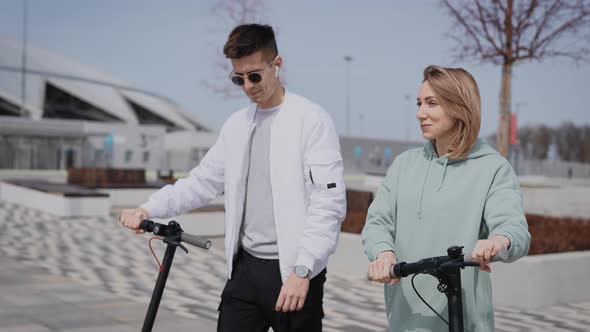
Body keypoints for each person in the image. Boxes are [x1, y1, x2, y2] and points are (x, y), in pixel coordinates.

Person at [120, 24, 346, 332]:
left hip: (293, 272)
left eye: (255, 75)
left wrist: (303, 270)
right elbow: (201, 182)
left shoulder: (311, 120)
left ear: (276, 65)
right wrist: (149, 208)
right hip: (244, 271)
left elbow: (328, 203)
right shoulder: (236, 126)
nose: (248, 86)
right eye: (238, 78)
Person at [361, 65, 531, 332]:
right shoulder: (404, 164)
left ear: (459, 107)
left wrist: (498, 242)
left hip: (463, 322)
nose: (420, 113)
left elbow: (515, 229)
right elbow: (377, 222)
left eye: (432, 103)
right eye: (419, 103)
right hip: (404, 321)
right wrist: (383, 252)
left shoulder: (493, 168)